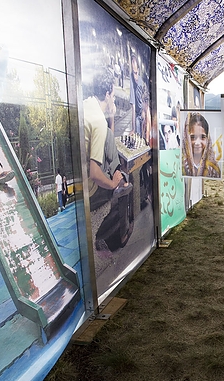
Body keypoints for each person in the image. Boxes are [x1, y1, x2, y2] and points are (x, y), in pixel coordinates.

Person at [84, 69, 133, 252]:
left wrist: (111, 116)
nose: (113, 99)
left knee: (120, 174)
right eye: (113, 95)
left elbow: (108, 136)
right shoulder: (97, 120)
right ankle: (117, 234)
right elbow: (95, 174)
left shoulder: (87, 106)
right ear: (107, 93)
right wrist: (113, 183)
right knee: (126, 186)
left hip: (83, 175)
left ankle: (117, 171)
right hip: (90, 190)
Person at [182, 112, 220, 178]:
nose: (197, 143)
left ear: (208, 139)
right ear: (186, 139)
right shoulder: (180, 165)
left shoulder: (213, 169)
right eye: (193, 137)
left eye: (202, 137)